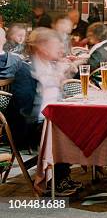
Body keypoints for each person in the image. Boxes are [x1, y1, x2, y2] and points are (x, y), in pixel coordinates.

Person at [7, 28, 80, 195]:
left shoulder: (49, 66)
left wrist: (66, 76)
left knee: (79, 125)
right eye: (56, 46)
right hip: (29, 126)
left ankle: (63, 175)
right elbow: (23, 104)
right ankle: (57, 179)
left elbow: (59, 94)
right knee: (63, 130)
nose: (60, 50)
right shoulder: (25, 70)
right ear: (42, 48)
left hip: (51, 121)